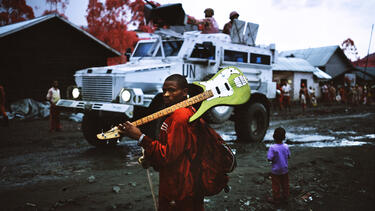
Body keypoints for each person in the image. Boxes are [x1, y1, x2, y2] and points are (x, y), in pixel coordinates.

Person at [118, 74, 209, 211]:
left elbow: (167, 155)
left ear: (185, 92)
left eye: (172, 90)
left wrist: (141, 137)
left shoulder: (179, 117)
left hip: (179, 185)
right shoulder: (187, 111)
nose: (166, 94)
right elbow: (176, 150)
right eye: (164, 90)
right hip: (188, 182)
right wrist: (151, 158)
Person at [267, 127, 290, 204]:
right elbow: (289, 156)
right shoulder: (286, 146)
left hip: (276, 170)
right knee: (285, 184)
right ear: (284, 137)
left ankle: (276, 198)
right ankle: (286, 197)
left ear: (274, 137)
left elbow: (269, 159)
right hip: (285, 169)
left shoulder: (272, 148)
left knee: (276, 184)